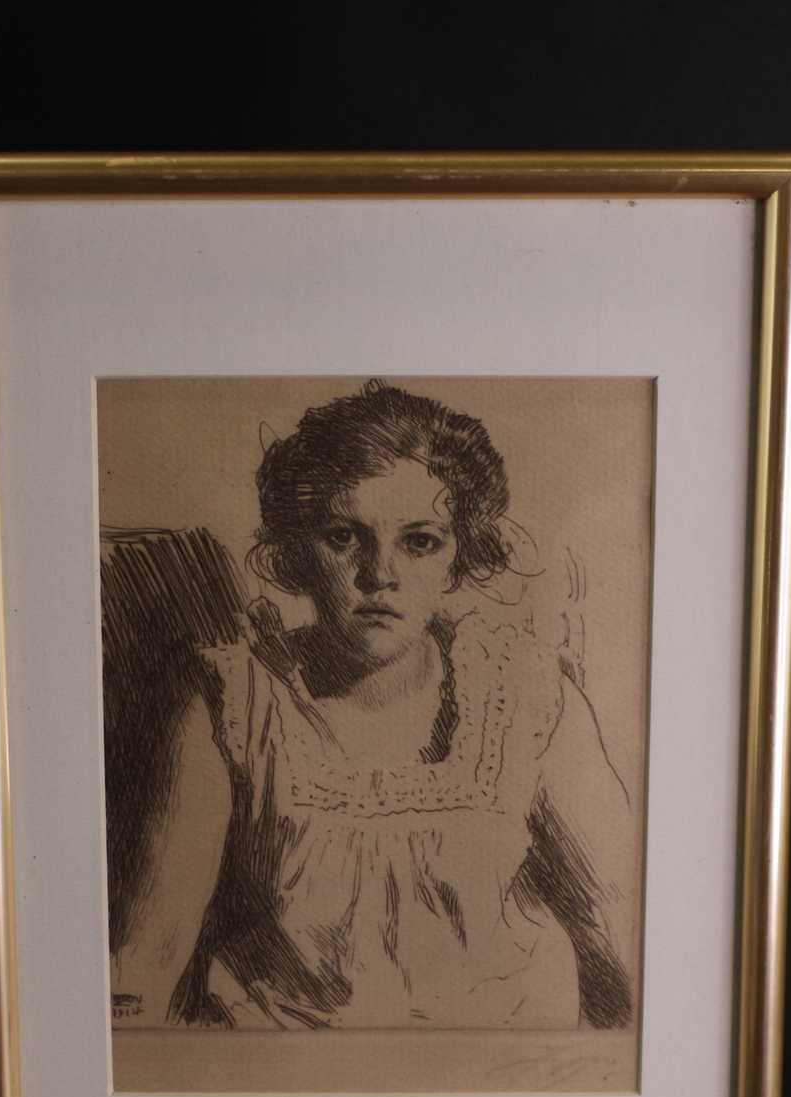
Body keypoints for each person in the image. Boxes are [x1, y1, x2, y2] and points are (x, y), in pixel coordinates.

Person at [110, 381, 635, 1030]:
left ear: (459, 558)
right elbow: (145, 967)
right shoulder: (236, 701)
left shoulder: (524, 692)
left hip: (506, 1061)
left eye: (420, 541)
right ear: (298, 554)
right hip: (283, 1067)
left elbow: (617, 928)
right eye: (343, 536)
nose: (379, 574)